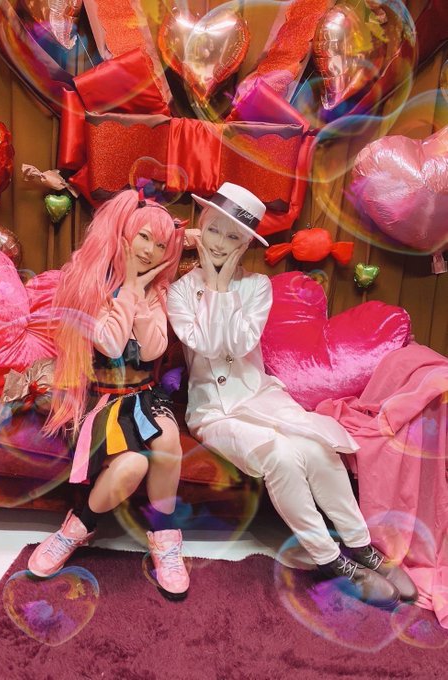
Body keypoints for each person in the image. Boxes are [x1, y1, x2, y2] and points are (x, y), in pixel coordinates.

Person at [166, 182, 417, 608]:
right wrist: (216, 286)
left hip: (260, 397)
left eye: (233, 236)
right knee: (281, 456)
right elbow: (208, 345)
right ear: (201, 228)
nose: (220, 243)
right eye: (214, 230)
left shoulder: (259, 287)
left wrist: (224, 284)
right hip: (215, 413)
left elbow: (240, 343)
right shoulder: (179, 292)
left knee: (318, 448)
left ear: (246, 243)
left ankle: (361, 546)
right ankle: (331, 560)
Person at [28, 189, 190, 599]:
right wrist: (130, 290)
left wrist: (144, 297)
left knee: (169, 439)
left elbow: (152, 351)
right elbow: (111, 344)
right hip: (102, 398)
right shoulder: (91, 287)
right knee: (131, 466)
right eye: (144, 238)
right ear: (123, 236)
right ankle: (76, 528)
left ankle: (165, 537)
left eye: (161, 245)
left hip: (145, 395)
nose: (150, 251)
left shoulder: (158, 292)